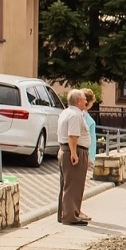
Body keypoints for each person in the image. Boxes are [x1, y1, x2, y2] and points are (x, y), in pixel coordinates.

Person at [56, 88, 92, 225]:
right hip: (74, 150)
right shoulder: (76, 115)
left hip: (65, 150)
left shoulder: (65, 112)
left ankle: (64, 214)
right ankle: (71, 216)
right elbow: (73, 136)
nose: (86, 101)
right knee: (74, 185)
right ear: (78, 101)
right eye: (84, 99)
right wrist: (74, 153)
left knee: (66, 184)